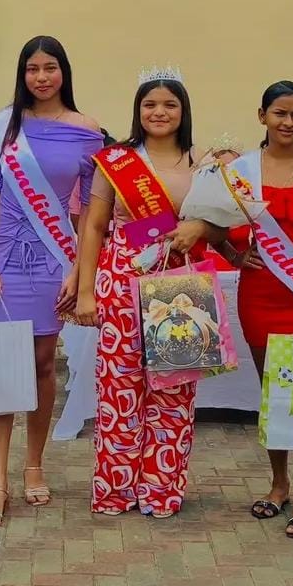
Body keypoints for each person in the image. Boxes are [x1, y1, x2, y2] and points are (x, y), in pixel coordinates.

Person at [75, 67, 225, 518]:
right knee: (118, 389)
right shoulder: (117, 160)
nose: (160, 112)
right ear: (138, 111)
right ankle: (115, 490)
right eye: (150, 104)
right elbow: (94, 226)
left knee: (173, 394)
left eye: (169, 104)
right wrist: (85, 292)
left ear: (183, 111)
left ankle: (161, 490)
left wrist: (201, 227)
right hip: (122, 276)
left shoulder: (203, 162)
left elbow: (223, 226)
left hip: (181, 283)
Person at [0, 35, 104, 530]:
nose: (42, 77)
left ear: (64, 72)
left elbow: (91, 210)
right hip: (5, 264)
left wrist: (79, 269)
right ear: (22, 74)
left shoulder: (88, 132)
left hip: (55, 261)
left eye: (50, 67)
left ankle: (33, 464)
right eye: (33, 68)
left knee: (44, 363)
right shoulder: (4, 126)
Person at [214, 81, 293, 539]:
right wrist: (233, 255)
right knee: (274, 394)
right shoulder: (241, 171)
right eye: (279, 113)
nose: (288, 122)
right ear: (262, 116)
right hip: (260, 296)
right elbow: (207, 221)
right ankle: (278, 484)